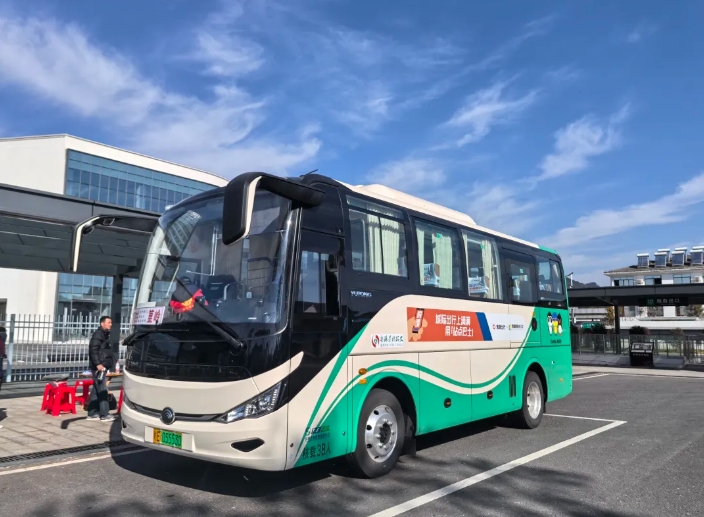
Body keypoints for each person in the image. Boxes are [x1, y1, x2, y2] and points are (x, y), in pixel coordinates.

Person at [87, 316, 116, 422]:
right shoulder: (98, 335)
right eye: (109, 322)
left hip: (102, 366)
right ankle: (104, 414)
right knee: (102, 390)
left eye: (111, 322)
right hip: (99, 367)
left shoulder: (105, 334)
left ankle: (92, 413)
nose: (110, 324)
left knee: (96, 390)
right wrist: (98, 364)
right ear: (102, 323)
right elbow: (93, 350)